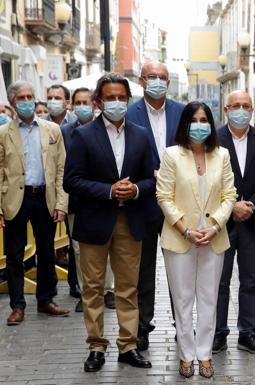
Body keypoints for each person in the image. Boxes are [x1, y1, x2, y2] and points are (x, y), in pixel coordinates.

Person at [63, 72, 155, 372]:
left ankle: (128, 346)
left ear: (128, 100)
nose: (117, 102)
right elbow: (71, 181)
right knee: (93, 287)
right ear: (99, 101)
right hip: (94, 222)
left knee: (128, 287)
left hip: (130, 220)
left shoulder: (141, 134)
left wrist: (137, 189)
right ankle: (96, 346)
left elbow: (150, 178)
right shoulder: (83, 134)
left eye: (122, 97)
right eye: (111, 98)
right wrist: (109, 190)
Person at [157, 101, 237, 378]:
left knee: (209, 298)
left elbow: (230, 196)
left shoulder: (222, 155)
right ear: (185, 124)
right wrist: (186, 230)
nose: (200, 125)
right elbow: (163, 196)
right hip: (181, 239)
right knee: (183, 299)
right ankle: (186, 355)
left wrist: (214, 226)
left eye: (205, 119)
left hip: (213, 238)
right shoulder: (171, 155)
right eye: (195, 119)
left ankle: (204, 354)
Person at [212, 90, 255, 356]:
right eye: (236, 105)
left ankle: (247, 333)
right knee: (220, 281)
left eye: (246, 105)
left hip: (254, 219)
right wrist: (231, 208)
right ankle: (217, 333)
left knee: (251, 280)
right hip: (222, 222)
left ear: (252, 110)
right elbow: (207, 180)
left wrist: (250, 204)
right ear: (226, 110)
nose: (241, 109)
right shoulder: (213, 140)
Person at [1, 80, 70, 326]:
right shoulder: (3, 133)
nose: (28, 102)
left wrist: (62, 203)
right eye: (22, 98)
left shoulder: (52, 130)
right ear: (13, 103)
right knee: (15, 254)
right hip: (15, 199)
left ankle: (45, 300)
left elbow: (62, 169)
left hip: (45, 197)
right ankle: (17, 306)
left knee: (47, 251)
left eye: (30, 96)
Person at [127, 61, 185, 351]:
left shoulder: (181, 112)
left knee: (180, 267)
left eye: (163, 77)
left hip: (179, 204)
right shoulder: (129, 114)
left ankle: (183, 327)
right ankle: (142, 327)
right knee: (143, 269)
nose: (158, 81)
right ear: (141, 80)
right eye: (153, 77)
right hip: (144, 203)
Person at [61, 87, 116, 313]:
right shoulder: (65, 132)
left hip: (107, 200)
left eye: (87, 102)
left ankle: (108, 290)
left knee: (110, 248)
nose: (83, 106)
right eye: (78, 102)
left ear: (94, 104)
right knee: (79, 250)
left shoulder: (107, 130)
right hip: (78, 201)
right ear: (72, 105)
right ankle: (86, 294)